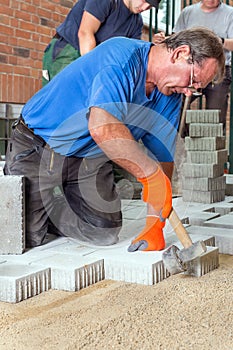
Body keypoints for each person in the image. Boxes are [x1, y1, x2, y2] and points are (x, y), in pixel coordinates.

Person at [4, 28, 224, 251]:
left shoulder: (169, 95)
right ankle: (44, 199)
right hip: (40, 146)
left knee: (103, 232)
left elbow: (164, 159)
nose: (189, 92)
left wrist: (155, 224)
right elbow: (102, 127)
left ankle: (56, 203)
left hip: (88, 158)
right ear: (180, 53)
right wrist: (149, 176)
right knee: (25, 235)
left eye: (196, 90)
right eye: (193, 80)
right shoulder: (120, 57)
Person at [42, 0, 161, 86]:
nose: (145, 7)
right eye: (144, 1)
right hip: (69, 51)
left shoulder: (136, 22)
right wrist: (95, 73)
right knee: (59, 101)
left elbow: (131, 53)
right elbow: (85, 33)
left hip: (96, 61)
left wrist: (153, 46)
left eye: (150, 6)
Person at [172, 0, 233, 135]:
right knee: (175, 105)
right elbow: (176, 39)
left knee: (215, 117)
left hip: (218, 74)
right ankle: (185, 143)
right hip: (190, 71)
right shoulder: (188, 12)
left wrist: (217, 41)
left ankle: (212, 152)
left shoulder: (230, 14)